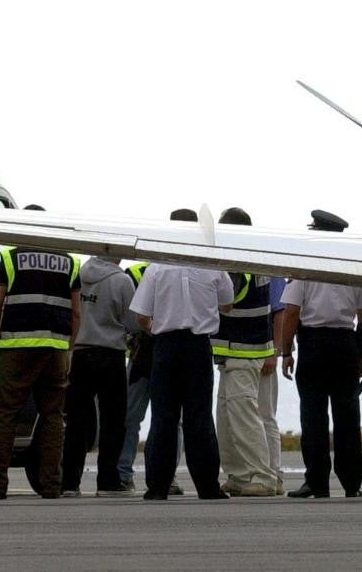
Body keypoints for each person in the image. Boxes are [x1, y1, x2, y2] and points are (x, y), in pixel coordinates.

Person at [0, 205, 82, 499]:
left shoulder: (11, 257)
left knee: (3, 414)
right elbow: (76, 312)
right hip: (56, 349)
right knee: (53, 416)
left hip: (17, 349)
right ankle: (51, 484)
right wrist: (69, 348)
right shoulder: (70, 262)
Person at [130, 210, 234, 501]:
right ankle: (207, 486)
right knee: (199, 417)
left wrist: (157, 328)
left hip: (165, 346)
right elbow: (228, 304)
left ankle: (158, 486)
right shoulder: (211, 264)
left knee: (163, 417)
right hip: (198, 346)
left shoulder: (156, 268)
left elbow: (141, 315)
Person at [280, 210, 362, 499]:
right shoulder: (353, 268)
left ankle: (317, 482)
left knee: (313, 417)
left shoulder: (305, 267)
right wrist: (361, 354)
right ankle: (351, 483)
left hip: (314, 346)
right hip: (345, 345)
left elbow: (292, 312)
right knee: (348, 417)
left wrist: (286, 351)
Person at [117, 209, 194, 495]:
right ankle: (135, 473)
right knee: (150, 418)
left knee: (153, 418)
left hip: (148, 352)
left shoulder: (141, 272)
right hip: (149, 354)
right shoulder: (141, 272)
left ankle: (148, 474)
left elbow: (132, 318)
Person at [213, 207, 280, 497]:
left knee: (243, 418)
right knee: (228, 418)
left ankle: (262, 476)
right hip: (242, 352)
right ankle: (239, 475)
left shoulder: (236, 264)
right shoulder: (256, 258)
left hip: (241, 352)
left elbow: (225, 302)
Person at [60, 255, 139, 497]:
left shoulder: (78, 275)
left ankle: (69, 482)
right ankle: (107, 481)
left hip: (80, 352)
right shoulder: (121, 281)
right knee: (113, 421)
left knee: (76, 420)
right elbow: (133, 322)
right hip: (110, 352)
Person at [261, 275, 288, 493]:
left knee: (265, 413)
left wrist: (275, 352)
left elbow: (280, 311)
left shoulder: (272, 272)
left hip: (265, 349)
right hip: (252, 348)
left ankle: (274, 472)